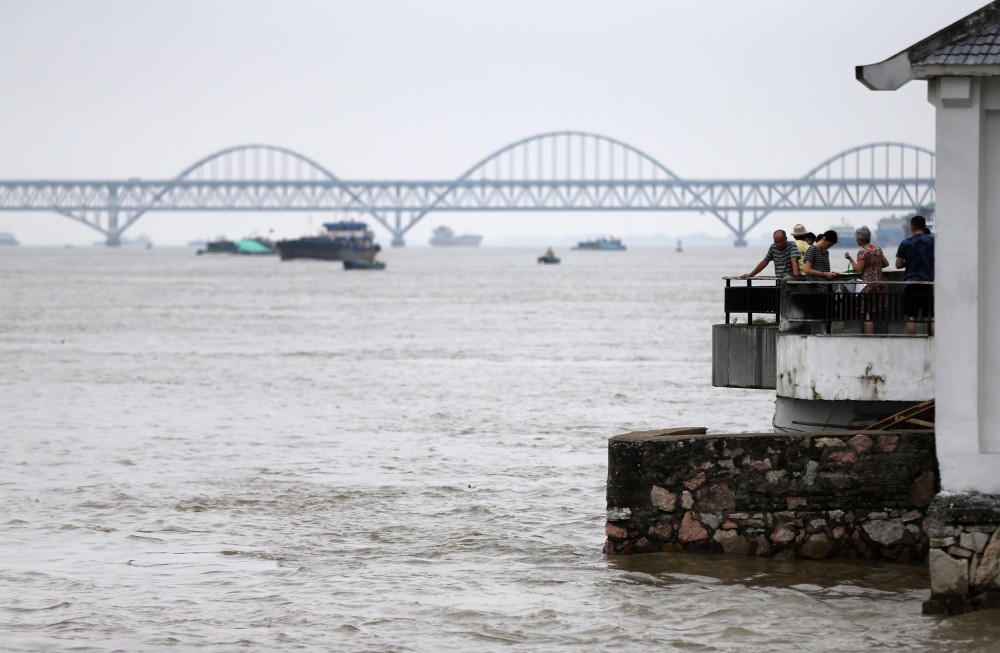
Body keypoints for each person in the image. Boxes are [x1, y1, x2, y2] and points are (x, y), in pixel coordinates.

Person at [844, 225, 889, 334]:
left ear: (859, 240)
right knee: (877, 311)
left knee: (867, 313)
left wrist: (850, 259)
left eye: (856, 238)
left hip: (867, 285)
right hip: (879, 283)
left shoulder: (862, 252)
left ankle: (869, 337)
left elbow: (858, 269)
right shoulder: (877, 249)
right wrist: (874, 266)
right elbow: (886, 264)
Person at [895, 214, 935, 335]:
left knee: (911, 316)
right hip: (929, 283)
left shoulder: (906, 243)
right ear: (925, 226)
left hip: (911, 284)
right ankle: (934, 341)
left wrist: (909, 263)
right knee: (932, 317)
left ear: (912, 227)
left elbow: (898, 264)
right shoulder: (933, 241)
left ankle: (912, 342)